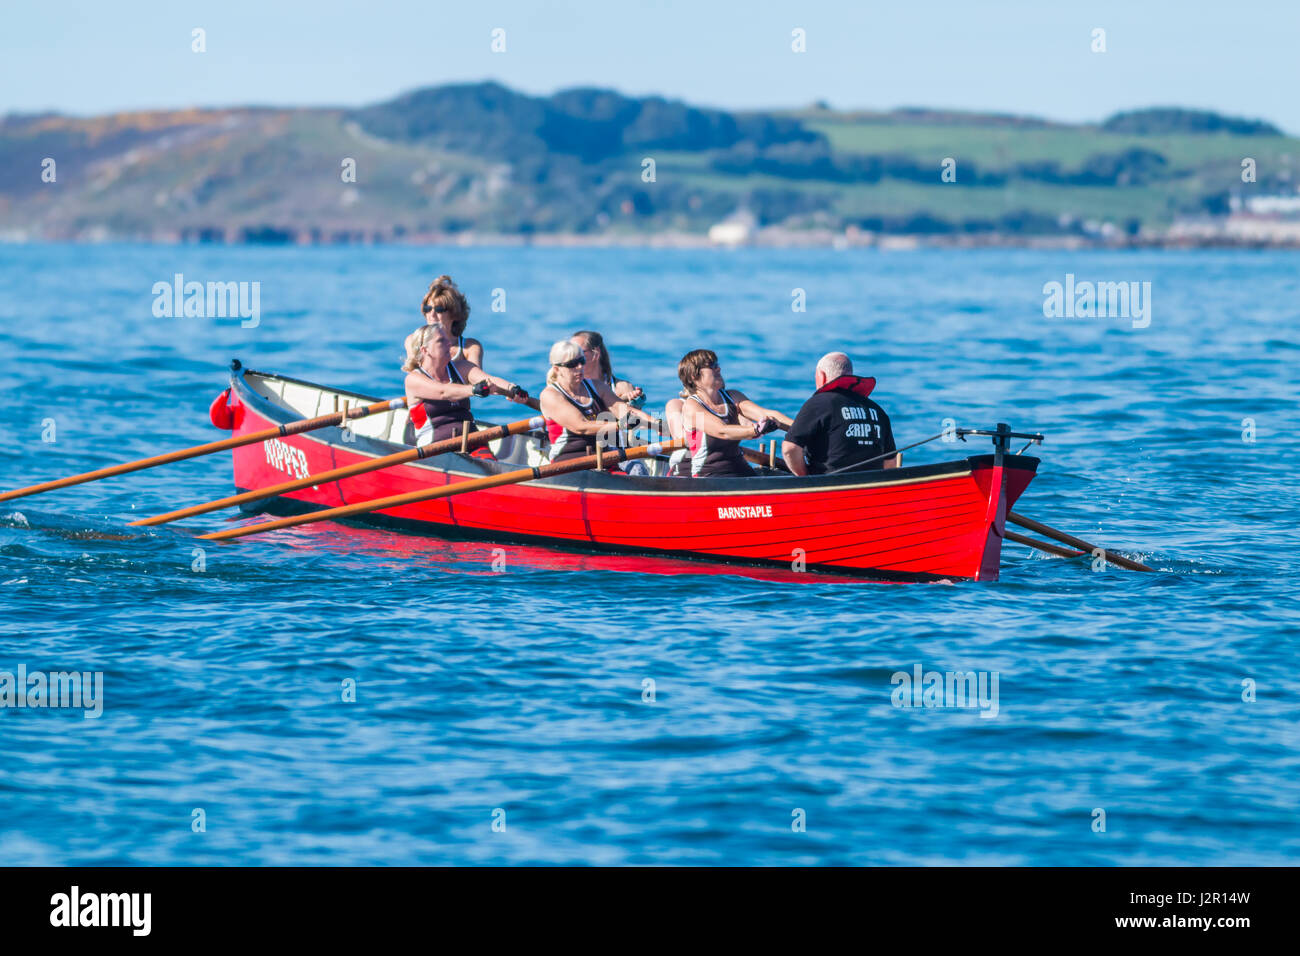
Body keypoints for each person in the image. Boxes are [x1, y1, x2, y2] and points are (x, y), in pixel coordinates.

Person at [401, 323, 530, 445]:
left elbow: (489, 380)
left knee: (490, 465)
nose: (449, 343)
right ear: (425, 350)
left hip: (472, 442)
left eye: (447, 339)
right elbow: (443, 392)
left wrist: (512, 389)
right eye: (441, 341)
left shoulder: (462, 368)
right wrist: (473, 390)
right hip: (434, 448)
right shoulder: (413, 379)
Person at [539, 340, 658, 466]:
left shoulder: (597, 386)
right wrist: (620, 425)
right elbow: (581, 426)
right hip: (568, 463)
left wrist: (658, 425)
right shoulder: (550, 395)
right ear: (557, 369)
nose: (580, 367)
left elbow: (626, 411)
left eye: (582, 361)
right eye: (572, 364)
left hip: (603, 458)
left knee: (637, 469)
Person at [677, 349, 792, 478]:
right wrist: (755, 429)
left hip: (740, 468)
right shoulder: (692, 406)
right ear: (694, 375)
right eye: (712, 366)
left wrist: (802, 429)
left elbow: (766, 413)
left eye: (717, 364)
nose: (719, 368)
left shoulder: (733, 396)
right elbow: (722, 431)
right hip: (708, 475)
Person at [782, 352, 899, 476]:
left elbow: (789, 449)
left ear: (821, 376)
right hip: (871, 487)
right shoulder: (877, 410)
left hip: (827, 486)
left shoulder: (818, 403)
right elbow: (890, 463)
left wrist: (805, 478)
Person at [421, 275, 483, 366]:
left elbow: (478, 377)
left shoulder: (470, 347)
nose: (432, 315)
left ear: (455, 315)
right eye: (428, 308)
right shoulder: (414, 341)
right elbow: (412, 377)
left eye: (439, 310)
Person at [571, 330, 644, 405]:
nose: (570, 357)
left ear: (595, 354)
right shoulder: (567, 388)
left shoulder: (622, 388)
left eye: (577, 352)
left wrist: (632, 402)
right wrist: (619, 400)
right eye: (569, 352)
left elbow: (632, 414)